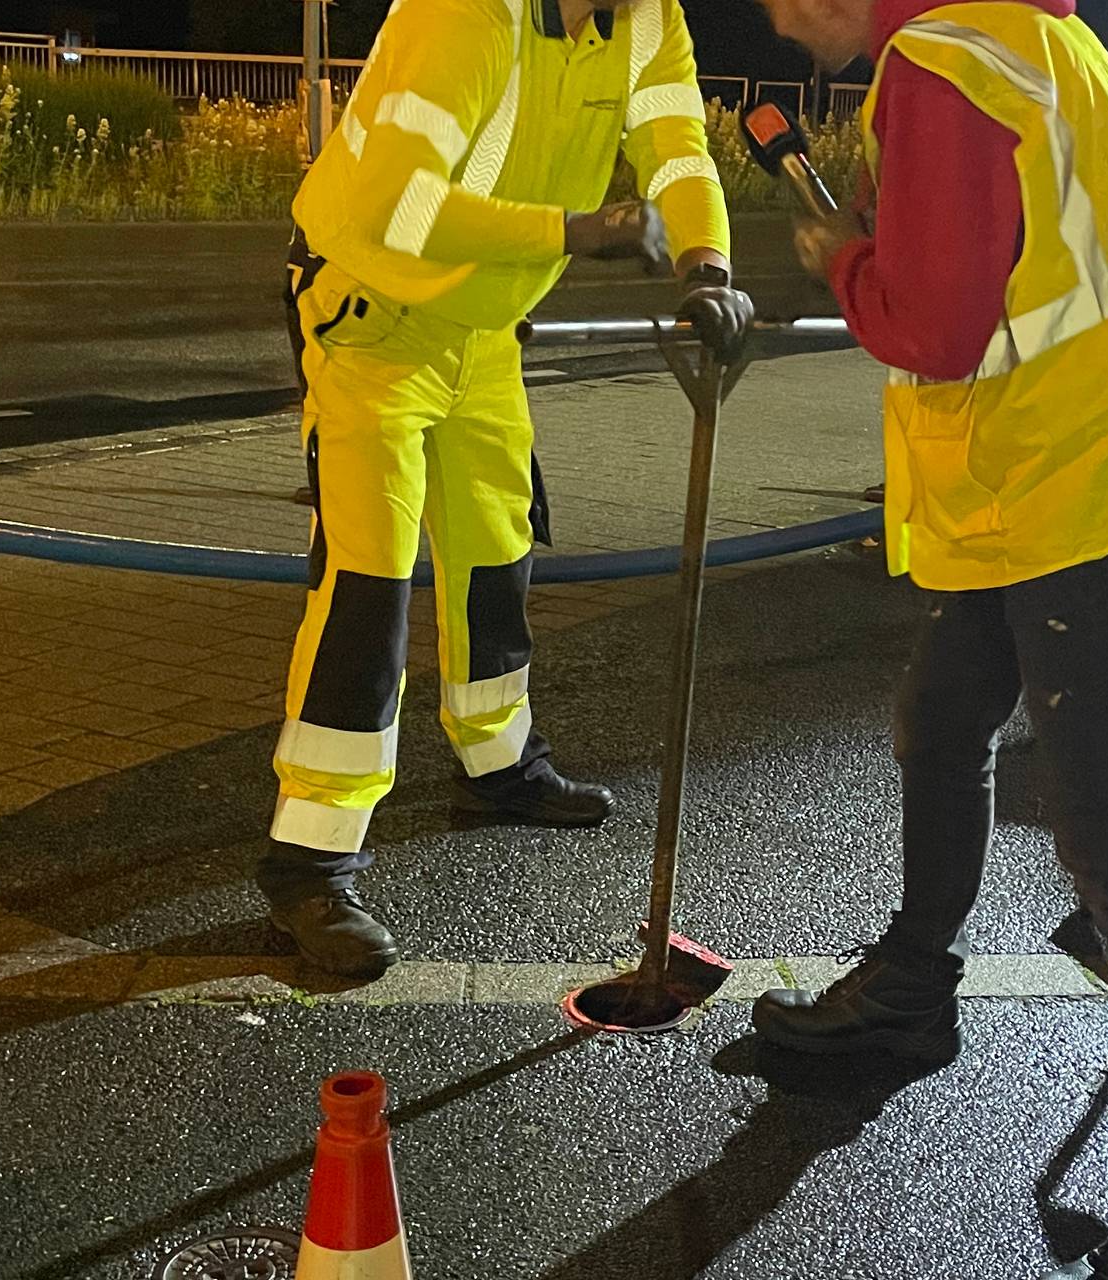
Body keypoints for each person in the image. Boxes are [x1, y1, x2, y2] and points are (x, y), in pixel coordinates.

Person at [746, 1, 1108, 1275]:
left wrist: (841, 263)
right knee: (942, 715)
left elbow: (936, 325)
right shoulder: (1029, 36)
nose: (776, 23)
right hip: (1062, 468)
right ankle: (911, 986)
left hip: (1076, 488)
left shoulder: (939, 64)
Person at [265, 0, 755, 980]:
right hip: (369, 314)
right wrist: (574, 230)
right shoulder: (464, 15)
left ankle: (498, 765)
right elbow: (397, 206)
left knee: (497, 549)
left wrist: (707, 266)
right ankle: (309, 857)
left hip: (483, 328)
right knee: (367, 580)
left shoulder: (645, 17)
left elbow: (678, 152)